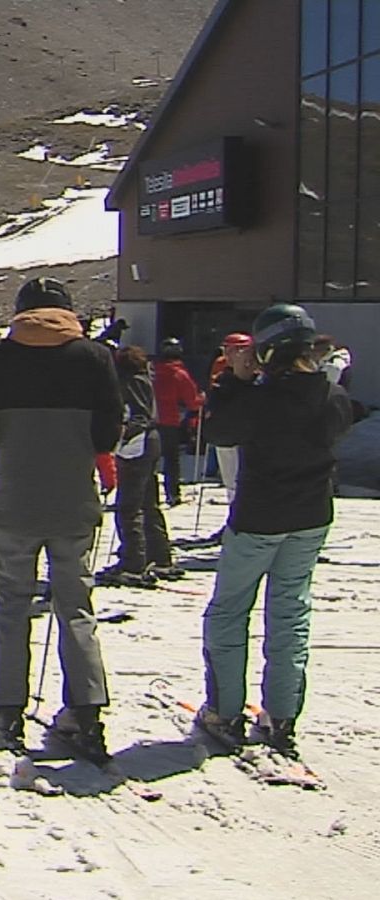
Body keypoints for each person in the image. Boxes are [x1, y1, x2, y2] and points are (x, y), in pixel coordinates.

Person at [0, 277, 122, 760]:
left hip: (16, 499)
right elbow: (109, 433)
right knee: (76, 607)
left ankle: (7, 712)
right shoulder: (94, 356)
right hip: (74, 499)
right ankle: (86, 713)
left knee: (12, 606)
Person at [197, 304, 353, 760]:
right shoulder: (331, 395)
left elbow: (221, 431)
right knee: (289, 615)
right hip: (310, 517)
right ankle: (282, 715)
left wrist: (235, 380)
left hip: (259, 518)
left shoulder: (260, 398)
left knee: (230, 612)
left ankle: (224, 712)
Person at [98, 345, 177, 588]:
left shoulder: (130, 381)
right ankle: (160, 556)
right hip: (150, 441)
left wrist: (117, 436)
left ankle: (133, 563)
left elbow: (137, 415)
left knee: (129, 507)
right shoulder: (145, 378)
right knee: (147, 502)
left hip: (136, 444)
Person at [153, 337, 202, 507]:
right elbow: (192, 400)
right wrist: (202, 400)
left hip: (152, 420)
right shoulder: (179, 374)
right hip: (171, 421)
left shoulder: (153, 372)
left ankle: (149, 495)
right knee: (171, 459)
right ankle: (172, 493)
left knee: (150, 460)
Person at [209, 333, 253, 509]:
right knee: (229, 480)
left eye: (231, 349)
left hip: (245, 436)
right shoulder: (221, 367)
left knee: (242, 481)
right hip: (223, 432)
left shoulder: (255, 374)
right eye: (225, 349)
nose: (226, 353)